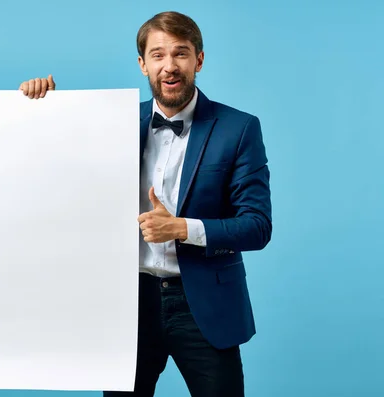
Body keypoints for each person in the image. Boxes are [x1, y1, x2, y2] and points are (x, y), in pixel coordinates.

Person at [18, 11, 272, 397]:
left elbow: (257, 225)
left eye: (181, 53)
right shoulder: (112, 122)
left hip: (203, 304)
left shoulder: (239, 129)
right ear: (142, 65)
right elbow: (56, 173)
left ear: (198, 60)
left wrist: (182, 228)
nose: (169, 66)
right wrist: (43, 107)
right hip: (126, 304)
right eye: (157, 55)